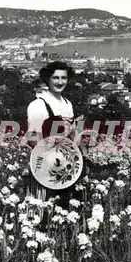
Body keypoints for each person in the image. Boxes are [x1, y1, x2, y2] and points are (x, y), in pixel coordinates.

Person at [25, 61, 84, 221]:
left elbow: (72, 136)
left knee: (64, 212)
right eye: (55, 78)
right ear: (47, 79)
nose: (60, 82)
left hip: (66, 167)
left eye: (63, 78)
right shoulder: (38, 105)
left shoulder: (67, 104)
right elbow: (32, 138)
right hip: (45, 165)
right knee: (42, 211)